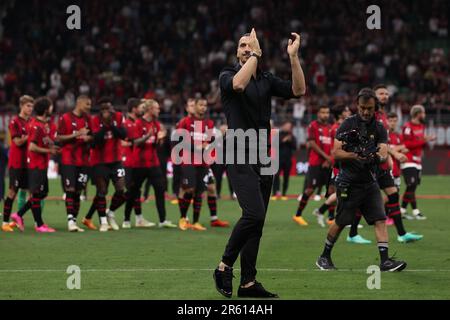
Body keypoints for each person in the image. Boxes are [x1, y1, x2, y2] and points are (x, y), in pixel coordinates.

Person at [214, 28, 306, 298]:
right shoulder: (227, 75)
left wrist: (293, 57)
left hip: (263, 154)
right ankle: (223, 266)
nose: (245, 48)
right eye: (242, 45)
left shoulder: (266, 79)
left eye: (249, 45)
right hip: (238, 151)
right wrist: (255, 53)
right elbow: (239, 85)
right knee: (252, 214)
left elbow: (298, 90)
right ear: (237, 52)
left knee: (258, 222)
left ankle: (248, 283)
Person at [315, 88, 407, 272]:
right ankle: (324, 256)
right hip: (348, 182)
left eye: (369, 108)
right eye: (363, 107)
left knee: (380, 219)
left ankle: (385, 261)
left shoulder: (380, 127)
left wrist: (373, 155)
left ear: (375, 108)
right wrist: (356, 155)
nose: (366, 112)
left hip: (369, 182)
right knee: (341, 221)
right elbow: (336, 153)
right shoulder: (347, 124)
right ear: (357, 105)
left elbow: (382, 153)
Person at [11, 97, 60, 233]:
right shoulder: (36, 126)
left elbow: (43, 140)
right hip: (36, 165)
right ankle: (39, 225)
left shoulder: (41, 124)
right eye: (50, 107)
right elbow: (32, 147)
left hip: (41, 164)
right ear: (45, 110)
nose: (52, 109)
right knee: (38, 193)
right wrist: (49, 150)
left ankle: (19, 214)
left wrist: (51, 144)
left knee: (42, 193)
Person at [131, 99, 176, 228]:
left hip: (153, 162)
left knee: (160, 189)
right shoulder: (138, 123)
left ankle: (162, 220)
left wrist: (160, 139)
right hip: (139, 163)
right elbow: (135, 142)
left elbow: (155, 145)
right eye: (156, 108)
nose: (159, 110)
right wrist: (147, 136)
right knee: (135, 191)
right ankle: (134, 218)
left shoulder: (156, 124)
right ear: (150, 110)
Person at [88, 97, 127, 232]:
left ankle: (110, 213)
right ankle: (103, 221)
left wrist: (112, 125)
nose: (107, 112)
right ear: (100, 111)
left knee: (121, 190)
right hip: (99, 161)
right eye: (104, 109)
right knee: (102, 192)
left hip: (116, 161)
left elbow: (123, 135)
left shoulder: (119, 116)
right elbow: (95, 142)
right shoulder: (94, 120)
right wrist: (105, 126)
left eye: (109, 108)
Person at [175, 98, 215, 231]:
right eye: (201, 105)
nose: (203, 107)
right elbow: (179, 140)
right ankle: (183, 218)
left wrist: (207, 146)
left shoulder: (209, 123)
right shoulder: (185, 122)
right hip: (188, 161)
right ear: (195, 106)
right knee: (189, 190)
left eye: (205, 105)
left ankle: (196, 222)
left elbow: (209, 142)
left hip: (202, 162)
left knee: (199, 193)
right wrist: (195, 147)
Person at [56, 95, 93, 232]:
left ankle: (74, 220)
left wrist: (88, 137)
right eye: (87, 104)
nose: (89, 107)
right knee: (70, 190)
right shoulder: (65, 118)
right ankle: (70, 220)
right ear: (79, 103)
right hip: (68, 160)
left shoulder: (88, 119)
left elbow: (94, 136)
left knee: (78, 191)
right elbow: (59, 137)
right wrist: (76, 134)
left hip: (84, 161)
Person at [312, 104, 351, 227]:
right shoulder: (336, 128)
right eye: (346, 110)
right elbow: (336, 149)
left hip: (344, 164)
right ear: (340, 114)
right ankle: (341, 218)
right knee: (344, 192)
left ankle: (322, 211)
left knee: (343, 192)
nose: (349, 111)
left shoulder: (343, 126)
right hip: (340, 165)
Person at [293, 105, 332, 226]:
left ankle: (331, 217)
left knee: (331, 190)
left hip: (328, 163)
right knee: (310, 190)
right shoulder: (313, 125)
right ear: (318, 114)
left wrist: (330, 159)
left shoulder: (330, 128)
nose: (325, 115)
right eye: (323, 112)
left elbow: (332, 145)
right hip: (316, 163)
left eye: (327, 112)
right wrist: (326, 157)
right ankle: (298, 215)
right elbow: (312, 143)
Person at [121, 98, 156, 228]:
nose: (142, 109)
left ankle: (138, 218)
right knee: (130, 191)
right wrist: (134, 142)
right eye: (141, 107)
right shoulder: (126, 123)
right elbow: (122, 142)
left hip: (136, 161)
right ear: (134, 108)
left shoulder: (138, 123)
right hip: (127, 160)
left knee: (135, 190)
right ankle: (112, 211)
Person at [2, 95, 34, 232]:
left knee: (35, 194)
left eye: (32, 106)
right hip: (16, 162)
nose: (30, 108)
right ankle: (4, 222)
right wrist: (30, 136)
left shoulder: (32, 122)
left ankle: (18, 216)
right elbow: (17, 142)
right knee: (12, 192)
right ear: (21, 106)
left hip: (29, 163)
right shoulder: (14, 122)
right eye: (28, 106)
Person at [400, 104, 436, 220]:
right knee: (411, 185)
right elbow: (407, 144)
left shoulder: (421, 126)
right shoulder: (407, 127)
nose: (424, 115)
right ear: (418, 114)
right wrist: (424, 140)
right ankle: (409, 211)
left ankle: (407, 211)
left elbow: (419, 143)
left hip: (417, 160)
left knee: (413, 187)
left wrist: (426, 140)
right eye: (423, 113)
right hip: (408, 159)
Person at [271, 121, 297, 200]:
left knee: (286, 177)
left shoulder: (292, 136)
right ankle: (275, 193)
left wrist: (290, 141)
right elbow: (274, 145)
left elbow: (295, 147)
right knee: (276, 176)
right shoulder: (278, 135)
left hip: (288, 160)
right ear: (283, 126)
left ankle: (284, 193)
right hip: (278, 159)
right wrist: (284, 141)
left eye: (290, 126)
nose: (288, 127)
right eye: (287, 126)